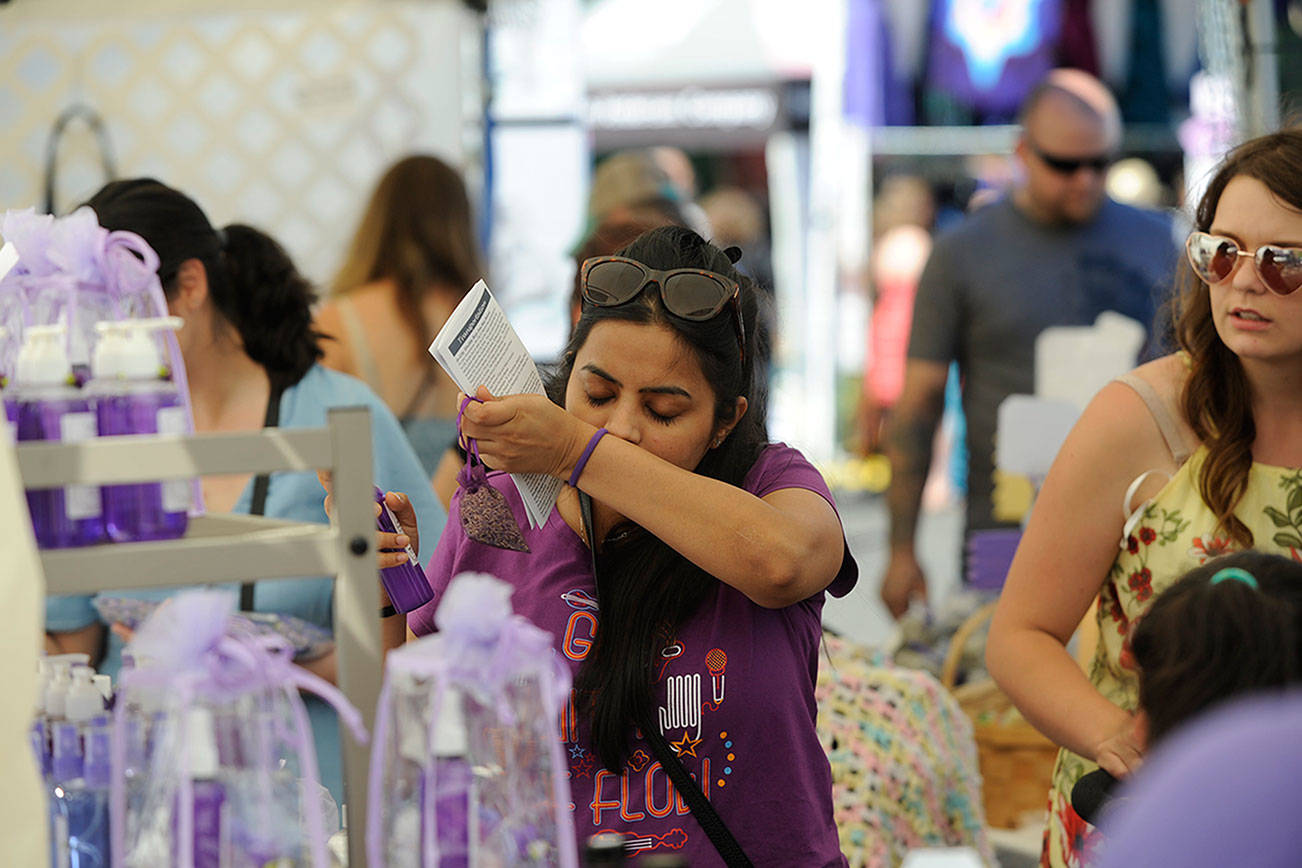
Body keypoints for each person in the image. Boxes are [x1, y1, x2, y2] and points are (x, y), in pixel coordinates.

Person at [403, 226, 857, 865]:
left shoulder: (772, 484)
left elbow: (781, 563)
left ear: (726, 421)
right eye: (597, 394)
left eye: (663, 411)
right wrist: (385, 585)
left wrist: (573, 449)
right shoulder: (499, 508)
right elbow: (428, 721)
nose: (621, 429)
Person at [42, 178, 446, 805]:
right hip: (147, 803)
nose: (90, 341)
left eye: (105, 313)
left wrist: (295, 665)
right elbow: (68, 649)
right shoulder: (92, 440)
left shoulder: (338, 416)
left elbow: (432, 629)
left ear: (190, 288)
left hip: (321, 800)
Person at [985, 128, 1302, 867]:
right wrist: (1125, 745)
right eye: (1221, 253)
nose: (1245, 281)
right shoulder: (1141, 415)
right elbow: (1020, 636)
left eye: (1284, 262)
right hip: (1142, 824)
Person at [880, 68, 1178, 619]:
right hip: (1006, 538)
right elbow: (917, 407)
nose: (1084, 180)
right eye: (1064, 164)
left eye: (1100, 163)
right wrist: (902, 551)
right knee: (1004, 693)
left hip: (1145, 529)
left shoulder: (1158, 240)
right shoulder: (961, 255)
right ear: (1022, 150)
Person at [316, 154, 485, 485]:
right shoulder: (479, 318)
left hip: (380, 522)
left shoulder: (339, 319)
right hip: (461, 525)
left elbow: (316, 446)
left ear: (378, 222)